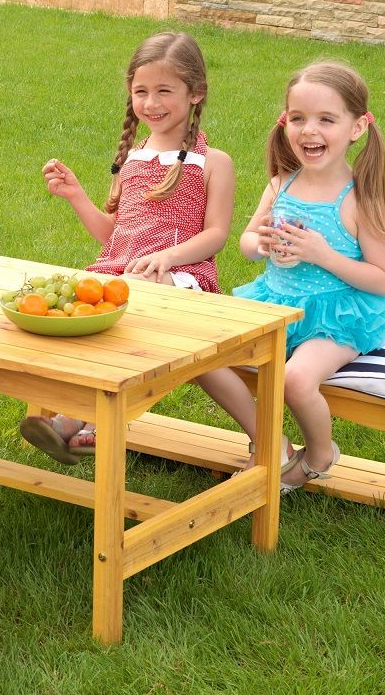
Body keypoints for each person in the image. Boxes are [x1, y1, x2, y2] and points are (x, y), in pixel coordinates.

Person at [18, 30, 253, 464]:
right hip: (123, 274)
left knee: (138, 326)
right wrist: (76, 196)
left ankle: (77, 421)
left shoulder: (213, 162)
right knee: (79, 318)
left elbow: (216, 234)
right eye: (141, 91)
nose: (152, 103)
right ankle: (82, 422)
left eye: (165, 91)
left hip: (181, 277)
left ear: (196, 93)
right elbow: (115, 236)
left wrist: (166, 257)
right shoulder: (133, 158)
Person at [228, 60, 385, 491]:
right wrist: (260, 243)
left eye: (326, 119)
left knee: (296, 379)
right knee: (206, 349)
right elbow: (246, 241)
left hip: (336, 315)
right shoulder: (281, 183)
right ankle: (268, 442)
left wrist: (322, 254)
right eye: (298, 118)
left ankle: (320, 453)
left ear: (357, 127)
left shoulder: (360, 198)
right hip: (275, 300)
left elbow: (384, 279)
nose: (309, 131)